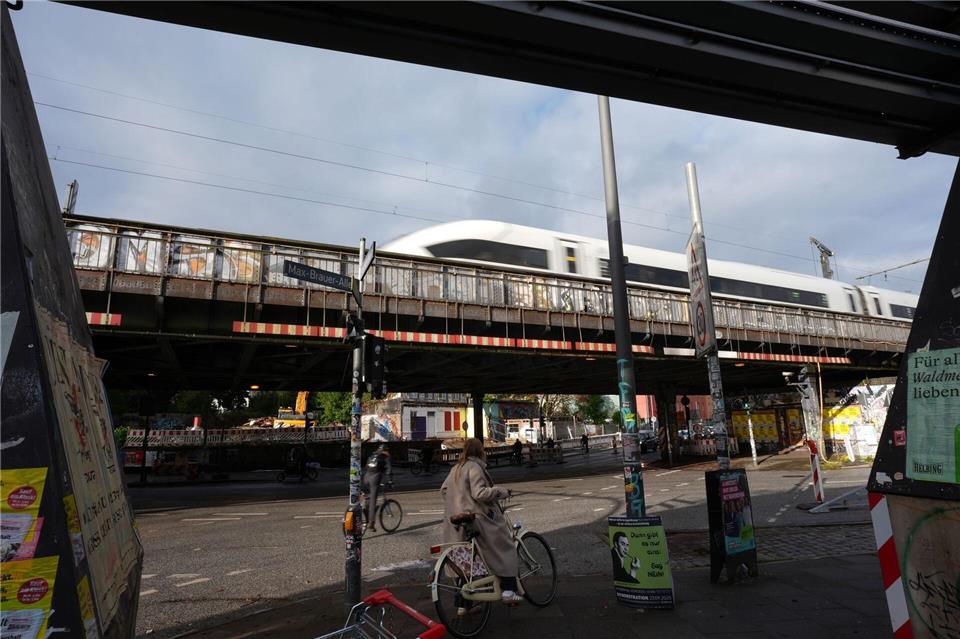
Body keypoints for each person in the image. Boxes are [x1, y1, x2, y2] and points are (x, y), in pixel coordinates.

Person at [440, 438, 522, 606]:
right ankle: (508, 590)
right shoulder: (474, 467)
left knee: (467, 561)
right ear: (480, 452)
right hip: (475, 519)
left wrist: (457, 503)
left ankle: (464, 605)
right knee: (504, 546)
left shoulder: (456, 468)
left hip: (455, 522)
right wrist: (500, 491)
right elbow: (480, 493)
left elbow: (443, 490)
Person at [363, 444, 393, 531]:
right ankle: (371, 523)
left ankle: (365, 513)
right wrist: (390, 481)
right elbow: (389, 470)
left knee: (368, 497)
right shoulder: (386, 456)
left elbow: (366, 466)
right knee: (373, 500)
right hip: (374, 478)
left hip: (366, 477)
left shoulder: (372, 455)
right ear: (386, 450)